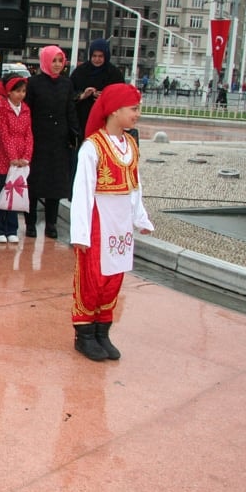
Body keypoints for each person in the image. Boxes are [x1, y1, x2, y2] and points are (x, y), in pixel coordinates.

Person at [70, 83, 154, 362]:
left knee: (114, 276)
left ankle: (102, 330)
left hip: (120, 225)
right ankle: (84, 334)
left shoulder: (130, 144)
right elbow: (82, 191)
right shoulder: (92, 147)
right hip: (98, 221)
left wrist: (139, 217)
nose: (137, 114)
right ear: (115, 110)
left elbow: (135, 185)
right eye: (133, 108)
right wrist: (80, 233)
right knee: (93, 276)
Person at [25, 46, 79, 239]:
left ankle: (51, 223)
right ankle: (30, 223)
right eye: (53, 60)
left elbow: (70, 109)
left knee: (55, 183)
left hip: (59, 139)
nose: (57, 65)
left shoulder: (67, 83)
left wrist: (74, 134)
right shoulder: (33, 83)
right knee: (34, 181)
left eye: (60, 60)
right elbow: (27, 110)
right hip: (38, 138)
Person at [0, 75, 33, 243]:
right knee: (3, 192)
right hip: (3, 158)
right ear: (9, 92)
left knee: (17, 192)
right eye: (17, 91)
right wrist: (13, 157)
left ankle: (11, 228)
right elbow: (3, 134)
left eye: (23, 91)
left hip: (21, 159)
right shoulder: (2, 108)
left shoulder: (26, 109)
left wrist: (26, 157)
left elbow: (29, 134)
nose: (21, 94)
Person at [70, 39, 124, 138]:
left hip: (106, 121)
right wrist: (82, 95)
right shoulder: (81, 72)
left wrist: (105, 97)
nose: (97, 59)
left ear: (106, 56)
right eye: (94, 56)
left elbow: (121, 96)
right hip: (83, 119)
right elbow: (70, 93)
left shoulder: (114, 74)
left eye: (100, 56)